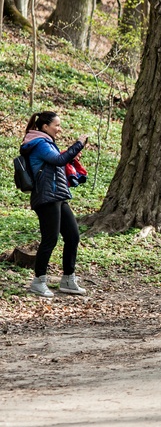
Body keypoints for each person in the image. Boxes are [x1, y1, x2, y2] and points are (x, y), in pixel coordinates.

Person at [20, 111, 88, 297]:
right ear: (45, 127)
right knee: (50, 239)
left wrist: (70, 153)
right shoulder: (39, 143)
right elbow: (58, 160)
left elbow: (57, 161)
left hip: (57, 195)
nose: (59, 129)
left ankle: (68, 279)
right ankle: (38, 281)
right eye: (56, 125)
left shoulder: (45, 143)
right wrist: (78, 144)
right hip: (46, 197)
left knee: (73, 236)